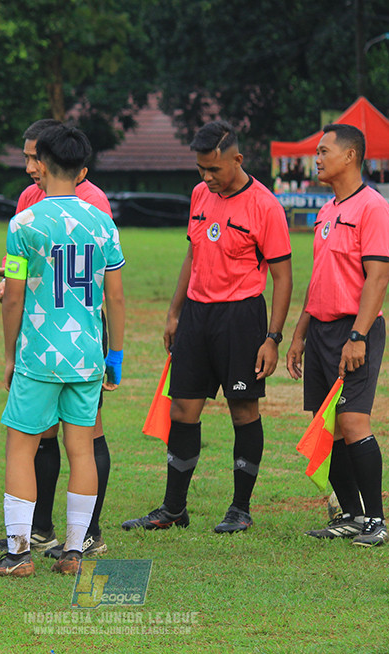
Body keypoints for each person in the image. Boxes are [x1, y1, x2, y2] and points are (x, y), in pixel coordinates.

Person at [122, 120, 292, 534]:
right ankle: (173, 509)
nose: (206, 178)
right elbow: (192, 255)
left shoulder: (266, 206)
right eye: (200, 169)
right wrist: (174, 313)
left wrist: (272, 338)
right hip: (197, 317)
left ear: (236, 159)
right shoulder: (200, 195)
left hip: (241, 318)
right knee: (182, 409)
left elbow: (283, 277)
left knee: (243, 411)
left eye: (213, 169)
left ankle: (240, 508)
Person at [0, 123, 125, 577]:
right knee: (82, 449)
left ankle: (19, 554)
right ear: (82, 170)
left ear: (42, 164)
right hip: (87, 356)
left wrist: (8, 354)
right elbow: (114, 297)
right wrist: (114, 356)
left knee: (20, 448)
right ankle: (74, 552)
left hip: (38, 354)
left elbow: (14, 295)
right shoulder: (102, 222)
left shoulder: (23, 223)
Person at [285, 123, 389, 547]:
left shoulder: (373, 208)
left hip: (356, 330)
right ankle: (349, 513)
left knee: (352, 420)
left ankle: (376, 520)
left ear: (350, 156)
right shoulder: (327, 211)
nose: (316, 158)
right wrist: (298, 335)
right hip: (321, 330)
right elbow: (320, 281)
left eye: (324, 150)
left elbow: (378, 279)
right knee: (325, 426)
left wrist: (358, 335)